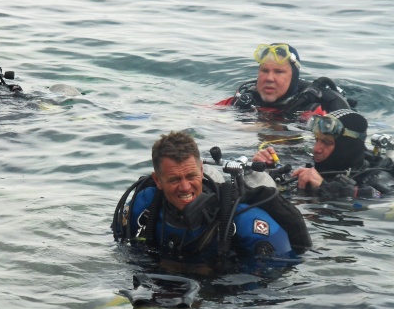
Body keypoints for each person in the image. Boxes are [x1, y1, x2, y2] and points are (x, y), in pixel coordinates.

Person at [112, 131, 312, 265]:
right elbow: (122, 249)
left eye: (191, 176)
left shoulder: (242, 220)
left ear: (201, 170)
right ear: (158, 180)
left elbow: (280, 279)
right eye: (174, 179)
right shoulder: (144, 206)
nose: (184, 187)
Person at [254, 109, 394, 198]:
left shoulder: (376, 177)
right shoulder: (311, 164)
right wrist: (263, 170)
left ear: (346, 147)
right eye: (317, 140)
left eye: (327, 143)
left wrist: (324, 187)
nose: (316, 149)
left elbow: (379, 201)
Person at [217, 43, 353, 118]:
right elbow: (202, 115)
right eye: (265, 71)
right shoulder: (243, 100)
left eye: (279, 72)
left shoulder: (311, 111)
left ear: (293, 77)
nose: (269, 78)